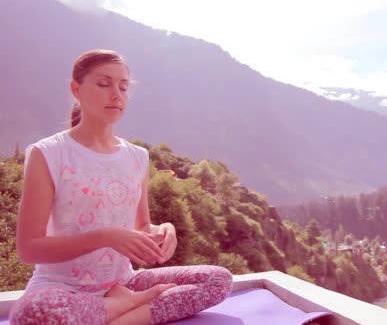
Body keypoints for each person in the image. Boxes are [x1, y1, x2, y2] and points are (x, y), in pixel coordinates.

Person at [9, 49, 233, 324]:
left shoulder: (137, 157)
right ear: (76, 90)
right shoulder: (49, 153)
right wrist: (104, 236)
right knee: (32, 313)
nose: (116, 94)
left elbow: (141, 229)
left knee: (217, 279)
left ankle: (119, 316)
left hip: (124, 282)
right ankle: (126, 308)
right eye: (104, 84)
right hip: (62, 290)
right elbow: (29, 249)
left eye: (123, 87)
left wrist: (163, 232)